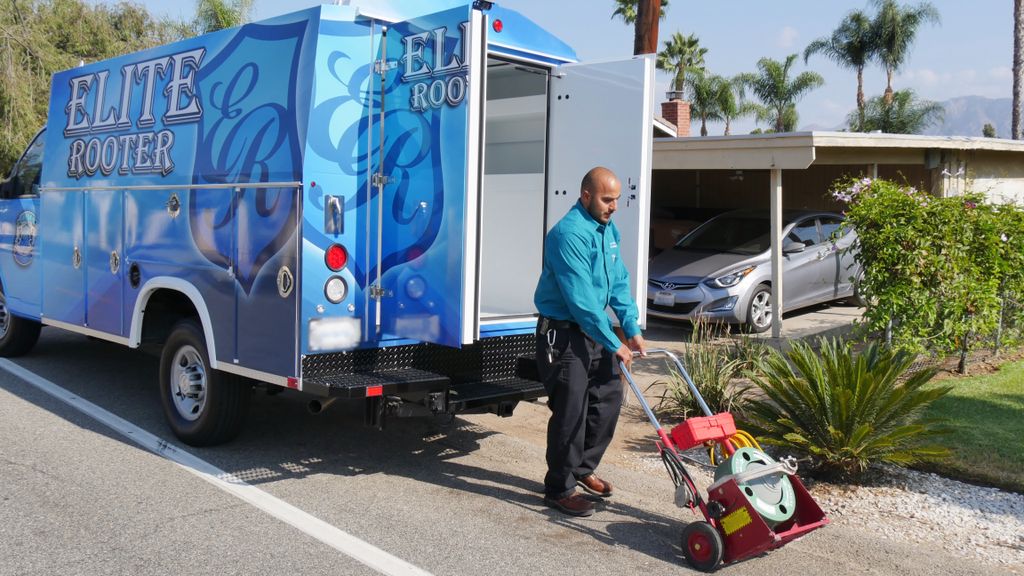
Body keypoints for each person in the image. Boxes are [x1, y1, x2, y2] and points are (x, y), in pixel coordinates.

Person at [533, 166, 646, 517]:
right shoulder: (568, 235)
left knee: (609, 398)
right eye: (607, 199)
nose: (613, 206)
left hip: (594, 331)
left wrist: (632, 328)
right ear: (586, 196)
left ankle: (582, 469)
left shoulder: (607, 231)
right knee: (571, 412)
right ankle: (559, 487)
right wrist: (615, 344)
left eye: (616, 200)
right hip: (564, 335)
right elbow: (581, 301)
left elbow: (619, 283)